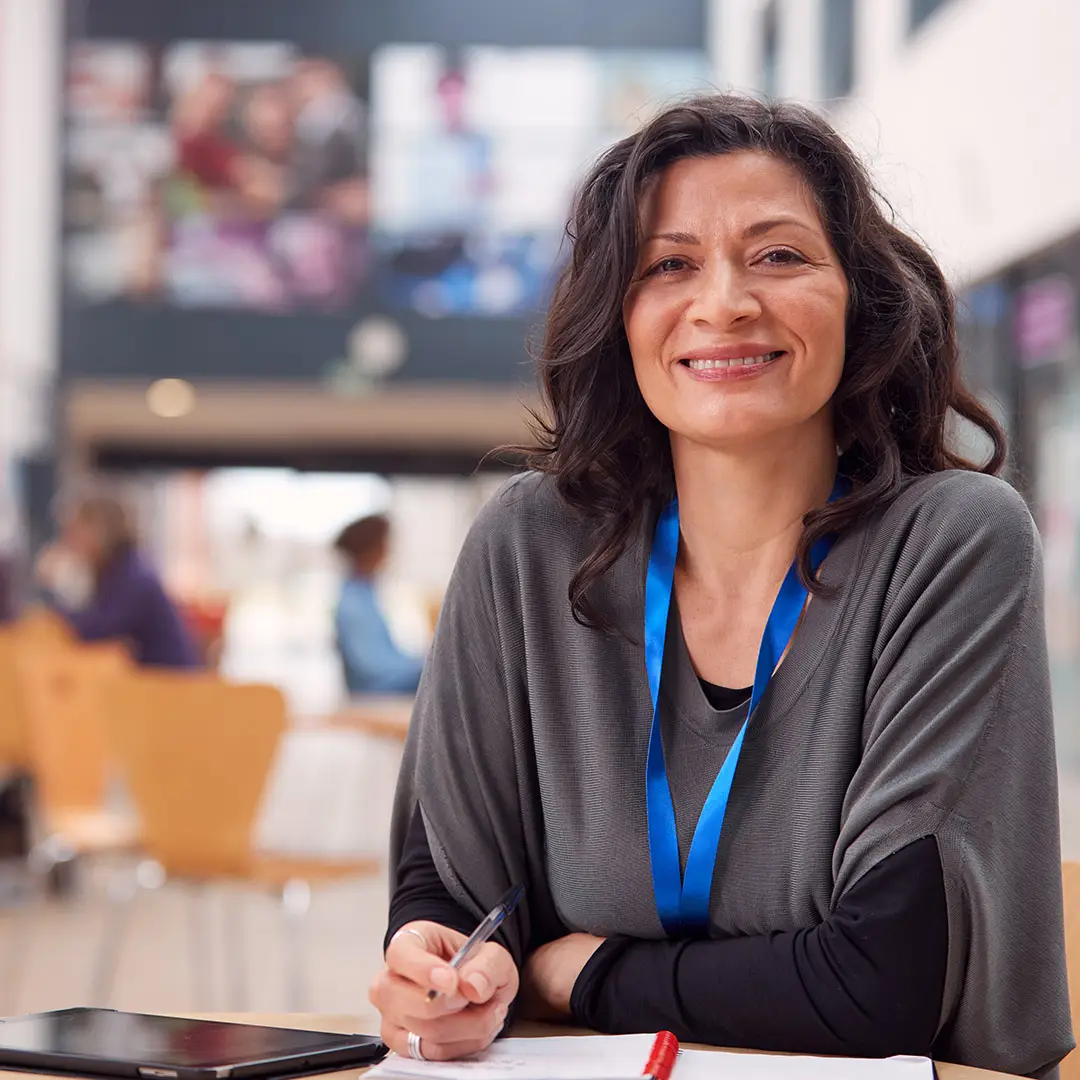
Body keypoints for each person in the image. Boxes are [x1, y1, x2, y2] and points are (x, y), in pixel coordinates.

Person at [369, 95, 1073, 1076]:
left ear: (860, 298)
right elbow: (455, 894)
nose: (726, 302)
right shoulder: (528, 546)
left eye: (779, 255)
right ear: (619, 317)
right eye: (669, 265)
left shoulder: (950, 543)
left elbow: (880, 987)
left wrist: (582, 974)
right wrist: (437, 965)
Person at [35, 490, 201, 669]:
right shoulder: (120, 569)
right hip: (155, 680)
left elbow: (93, 631)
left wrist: (52, 584)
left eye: (74, 530)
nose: (68, 540)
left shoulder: (134, 576)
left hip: (174, 685)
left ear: (98, 530)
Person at [333, 515, 424, 695]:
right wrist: (428, 668)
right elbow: (374, 669)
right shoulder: (353, 603)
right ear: (370, 550)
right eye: (384, 545)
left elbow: (389, 657)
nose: (389, 552)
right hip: (375, 694)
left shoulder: (366, 594)